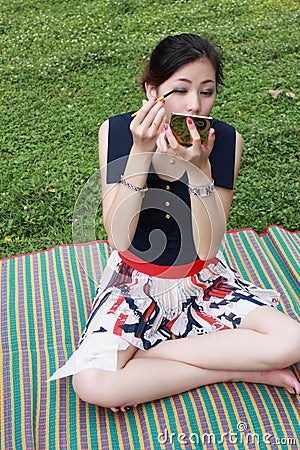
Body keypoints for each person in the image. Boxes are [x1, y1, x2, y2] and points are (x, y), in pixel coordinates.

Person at [50, 34, 300, 412]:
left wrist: (198, 171)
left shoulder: (226, 140)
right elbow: (120, 236)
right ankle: (231, 368)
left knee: (292, 341)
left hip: (199, 276)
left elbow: (207, 247)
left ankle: (153, 356)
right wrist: (140, 152)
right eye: (179, 90)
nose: (195, 104)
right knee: (94, 385)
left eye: (207, 91)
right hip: (136, 278)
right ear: (152, 91)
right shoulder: (118, 131)